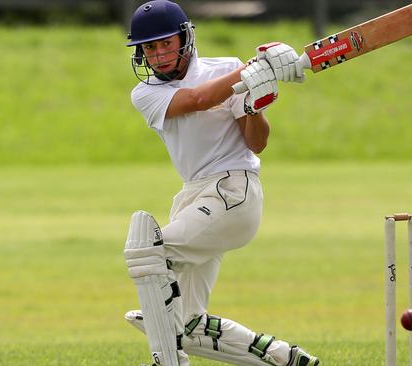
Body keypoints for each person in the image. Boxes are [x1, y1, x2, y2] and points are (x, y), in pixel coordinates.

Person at [121, 1, 319, 366]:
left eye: (166, 43)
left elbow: (256, 143)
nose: (160, 54)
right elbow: (198, 99)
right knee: (190, 324)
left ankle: (165, 356)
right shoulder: (146, 93)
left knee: (147, 255)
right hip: (194, 196)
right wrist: (254, 69)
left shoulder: (225, 67)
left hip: (234, 191)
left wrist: (254, 105)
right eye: (150, 47)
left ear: (185, 38)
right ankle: (284, 359)